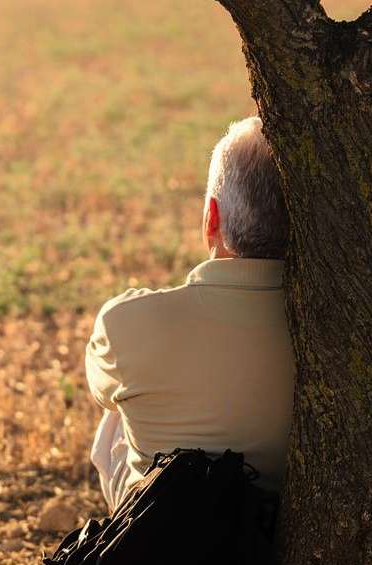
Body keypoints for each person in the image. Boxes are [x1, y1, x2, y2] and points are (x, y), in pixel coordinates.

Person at [86, 117, 295, 511]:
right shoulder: (332, 332)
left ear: (211, 218)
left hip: (163, 540)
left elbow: (100, 389)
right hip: (277, 538)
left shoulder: (125, 323)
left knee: (116, 414)